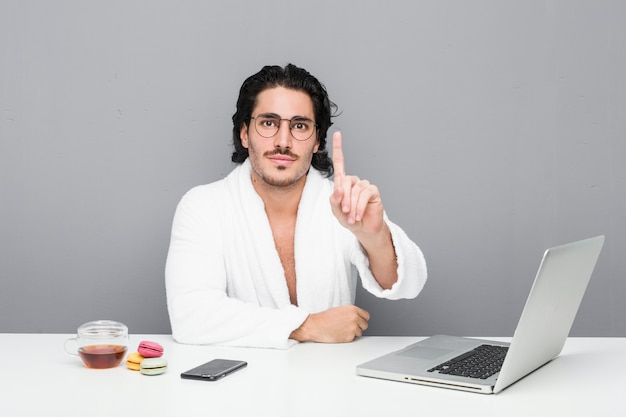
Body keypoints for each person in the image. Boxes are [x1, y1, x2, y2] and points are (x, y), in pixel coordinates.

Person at [165, 64, 427, 349]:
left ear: (316, 141)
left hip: (331, 382)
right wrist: (309, 325)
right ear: (244, 134)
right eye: (268, 123)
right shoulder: (203, 207)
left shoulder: (341, 206)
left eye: (299, 126)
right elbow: (191, 315)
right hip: (238, 384)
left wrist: (375, 237)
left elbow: (409, 285)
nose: (283, 141)